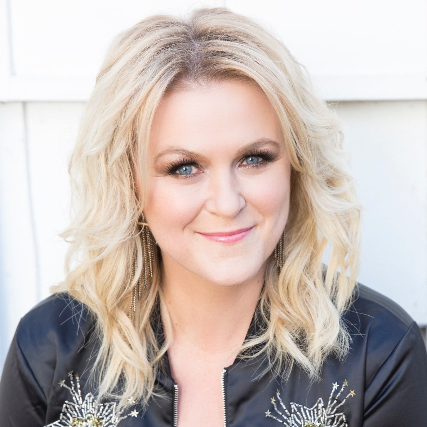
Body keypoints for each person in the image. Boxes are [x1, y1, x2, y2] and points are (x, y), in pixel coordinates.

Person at [0, 7, 426, 427]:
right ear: (128, 184)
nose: (227, 202)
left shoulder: (378, 353)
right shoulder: (50, 345)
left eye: (254, 158)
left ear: (296, 168)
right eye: (184, 167)